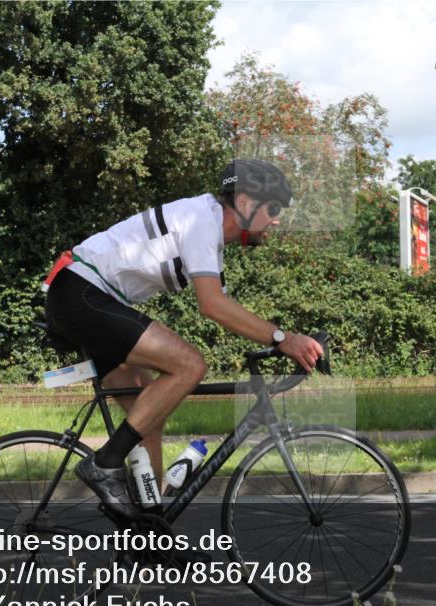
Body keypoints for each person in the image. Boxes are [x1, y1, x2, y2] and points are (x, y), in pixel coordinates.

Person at [43, 159, 325, 518]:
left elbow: (226, 310)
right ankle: (105, 463)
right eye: (272, 208)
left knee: (148, 417)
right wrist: (283, 338)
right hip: (82, 294)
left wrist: (275, 341)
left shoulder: (208, 233)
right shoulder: (200, 221)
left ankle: (147, 531)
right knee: (190, 365)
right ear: (244, 204)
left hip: (88, 298)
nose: (277, 218)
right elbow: (212, 305)